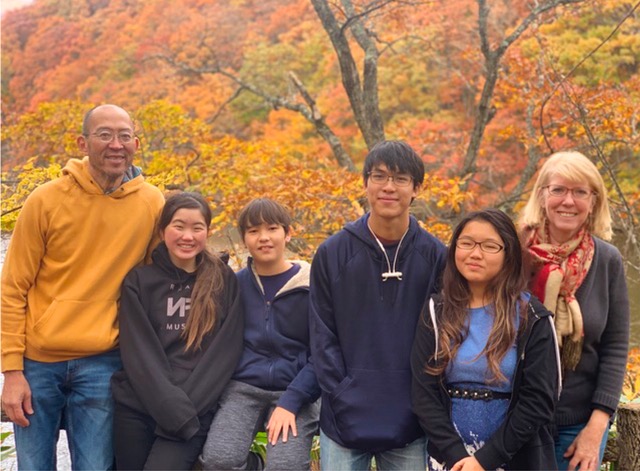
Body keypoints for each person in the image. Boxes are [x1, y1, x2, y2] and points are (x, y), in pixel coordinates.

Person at [1, 104, 164, 470]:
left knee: (96, 467)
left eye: (124, 136)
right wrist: (11, 371)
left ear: (136, 143)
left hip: (104, 360)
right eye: (104, 134)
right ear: (83, 142)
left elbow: (162, 278)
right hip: (38, 362)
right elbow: (13, 288)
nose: (116, 144)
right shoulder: (45, 200)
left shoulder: (151, 203)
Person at [309, 140, 447, 470]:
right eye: (379, 176)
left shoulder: (436, 256)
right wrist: (342, 393)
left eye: (400, 178)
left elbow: (444, 336)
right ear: (365, 183)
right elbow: (321, 336)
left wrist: (422, 401)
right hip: (344, 417)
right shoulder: (332, 253)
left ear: (416, 189)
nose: (388, 187)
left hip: (412, 420)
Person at [411, 208, 561, 471]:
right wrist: (456, 455)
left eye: (490, 246)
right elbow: (423, 393)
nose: (475, 253)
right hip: (449, 458)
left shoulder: (531, 316)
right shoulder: (436, 312)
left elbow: (538, 400)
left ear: (509, 255)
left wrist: (484, 461)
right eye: (466, 243)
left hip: (513, 457)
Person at [110, 191, 244, 470]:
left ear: (208, 231)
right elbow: (139, 353)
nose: (188, 236)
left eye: (197, 228)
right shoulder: (140, 281)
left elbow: (224, 354)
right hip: (138, 407)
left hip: (192, 410)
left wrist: (183, 413)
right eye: (178, 226)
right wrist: (168, 405)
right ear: (162, 230)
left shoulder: (222, 280)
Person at [518, 151, 630, 471]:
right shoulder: (514, 251)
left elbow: (615, 346)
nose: (569, 201)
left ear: (593, 201)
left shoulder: (607, 260)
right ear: (542, 196)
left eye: (580, 192)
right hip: (512, 420)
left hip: (578, 425)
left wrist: (597, 427)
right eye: (558, 190)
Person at [201, 198, 320, 470]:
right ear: (244, 239)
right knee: (219, 460)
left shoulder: (311, 286)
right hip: (243, 387)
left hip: (296, 390)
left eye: (272, 229)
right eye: (253, 231)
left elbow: (322, 354)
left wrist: (292, 402)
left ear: (288, 234)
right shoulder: (234, 284)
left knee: (284, 466)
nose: (263, 238)